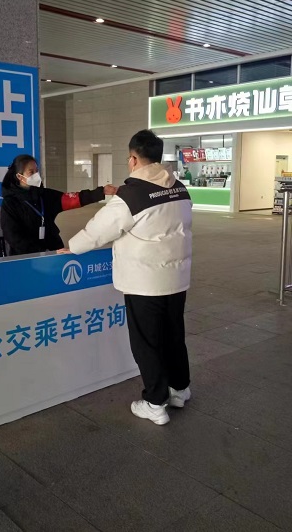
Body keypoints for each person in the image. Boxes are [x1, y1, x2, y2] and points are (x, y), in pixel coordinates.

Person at [60, 130, 193, 426]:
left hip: (145, 281)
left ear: (133, 159)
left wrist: (74, 246)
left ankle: (155, 402)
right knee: (173, 335)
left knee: (147, 342)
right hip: (177, 277)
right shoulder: (179, 188)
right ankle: (180, 389)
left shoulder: (132, 194)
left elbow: (99, 230)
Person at [0, 154, 117, 256]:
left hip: (53, 251)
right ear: (19, 176)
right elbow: (12, 236)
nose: (36, 175)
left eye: (37, 171)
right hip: (26, 257)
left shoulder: (44, 195)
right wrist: (39, 252)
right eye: (31, 172)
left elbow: (73, 199)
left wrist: (101, 192)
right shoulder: (10, 203)